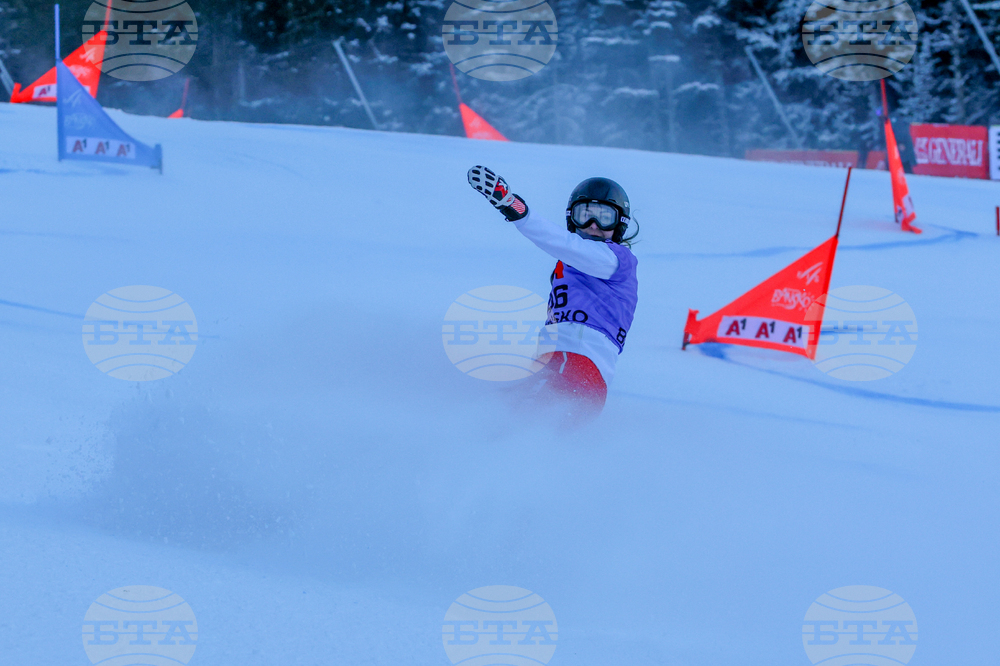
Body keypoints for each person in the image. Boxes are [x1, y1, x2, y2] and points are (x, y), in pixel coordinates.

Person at [467, 165, 639, 420]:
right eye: (585, 215)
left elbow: (564, 244)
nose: (593, 226)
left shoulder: (616, 260)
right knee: (524, 434)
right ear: (572, 219)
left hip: (575, 362)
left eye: (604, 217)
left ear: (619, 224)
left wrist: (513, 207)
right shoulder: (571, 263)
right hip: (569, 371)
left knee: (504, 421)